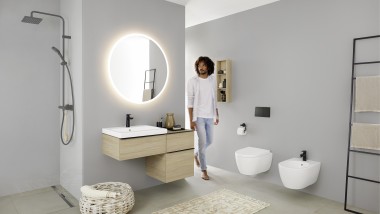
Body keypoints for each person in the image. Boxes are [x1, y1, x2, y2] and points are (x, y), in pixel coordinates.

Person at [187, 56, 219, 180]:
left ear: (208, 67)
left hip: (210, 116)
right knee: (202, 143)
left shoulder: (212, 80)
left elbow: (214, 99)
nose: (201, 67)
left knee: (210, 141)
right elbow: (190, 102)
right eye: (199, 65)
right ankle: (204, 170)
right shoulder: (193, 81)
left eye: (204, 65)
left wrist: (217, 114)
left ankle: (196, 155)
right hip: (198, 117)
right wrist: (191, 120)